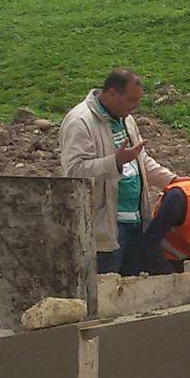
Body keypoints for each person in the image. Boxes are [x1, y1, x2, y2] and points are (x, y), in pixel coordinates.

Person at [59, 68, 175, 275]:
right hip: (106, 226)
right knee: (105, 289)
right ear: (112, 93)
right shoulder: (80, 121)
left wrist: (173, 180)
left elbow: (140, 160)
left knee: (131, 289)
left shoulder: (125, 118)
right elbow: (74, 171)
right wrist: (115, 162)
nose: (136, 106)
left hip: (137, 221)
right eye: (131, 99)